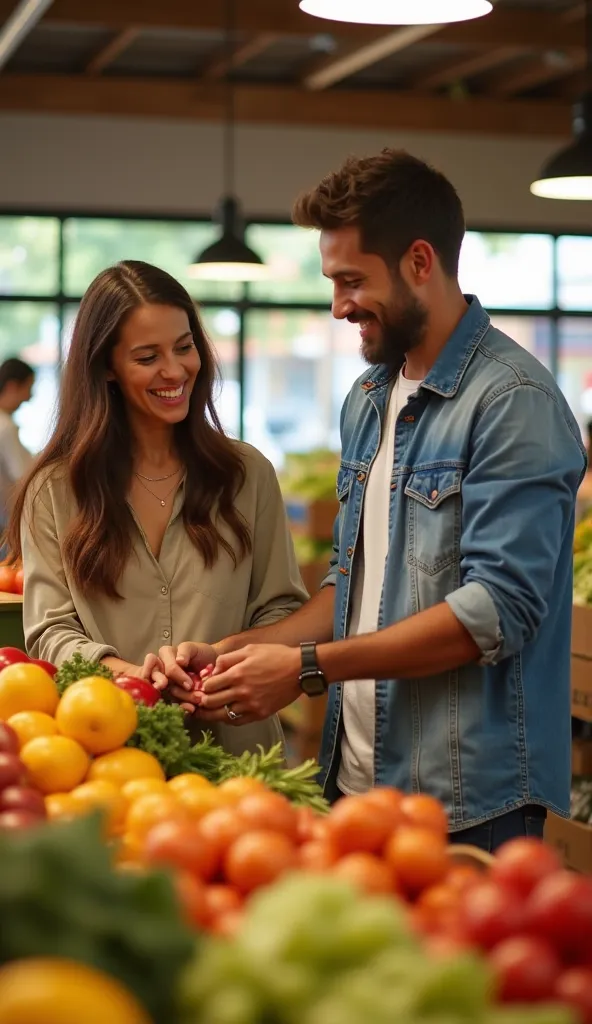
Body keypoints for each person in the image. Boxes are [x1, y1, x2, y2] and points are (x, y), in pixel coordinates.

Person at [150, 150, 587, 851]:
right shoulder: (370, 399)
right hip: (353, 784)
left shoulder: (512, 402)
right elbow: (351, 591)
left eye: (352, 281)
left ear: (420, 261)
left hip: (472, 806)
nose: (338, 306)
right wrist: (238, 651)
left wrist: (307, 668)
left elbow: (496, 613)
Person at [6, 260, 307, 756]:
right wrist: (133, 680)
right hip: (115, 756)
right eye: (148, 357)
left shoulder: (247, 474)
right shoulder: (56, 490)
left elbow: (283, 608)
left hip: (240, 756)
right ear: (106, 367)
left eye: (184, 347)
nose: (175, 370)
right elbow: (49, 631)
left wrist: (223, 666)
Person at [0, 357, 34, 548]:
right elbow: (24, 477)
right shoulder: (5, 427)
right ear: (12, 386)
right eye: (28, 387)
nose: (29, 397)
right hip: (5, 524)